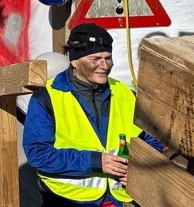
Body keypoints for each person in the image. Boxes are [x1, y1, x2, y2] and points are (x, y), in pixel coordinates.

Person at [23, 23, 163, 207]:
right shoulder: (47, 97)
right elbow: (37, 153)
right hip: (67, 199)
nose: (104, 65)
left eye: (108, 58)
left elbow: (152, 142)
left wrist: (138, 171)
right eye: (95, 58)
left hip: (119, 199)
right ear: (74, 61)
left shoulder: (125, 93)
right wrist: (96, 161)